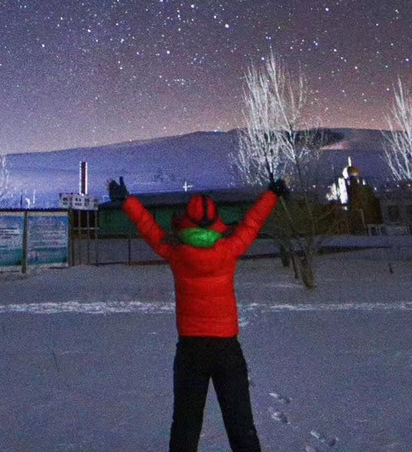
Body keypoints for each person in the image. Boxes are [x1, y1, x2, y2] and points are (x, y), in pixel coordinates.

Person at [108, 174, 288, 452]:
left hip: (191, 350)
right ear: (216, 222)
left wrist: (127, 202)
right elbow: (252, 223)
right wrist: (271, 194)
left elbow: (149, 228)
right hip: (227, 349)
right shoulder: (228, 250)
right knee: (241, 424)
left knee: (185, 426)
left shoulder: (177, 253)